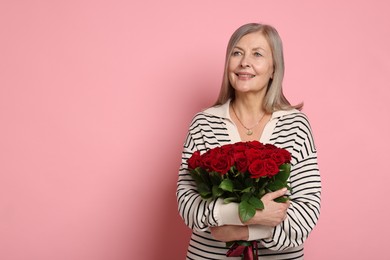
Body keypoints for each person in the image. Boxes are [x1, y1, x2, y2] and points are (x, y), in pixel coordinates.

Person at [176, 23, 321, 259]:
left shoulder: (296, 125)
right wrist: (244, 214)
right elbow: (187, 204)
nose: (244, 62)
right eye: (237, 52)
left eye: (257, 54)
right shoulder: (204, 123)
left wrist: (241, 230)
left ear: (274, 68)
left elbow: (306, 212)